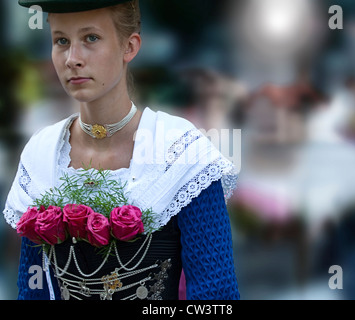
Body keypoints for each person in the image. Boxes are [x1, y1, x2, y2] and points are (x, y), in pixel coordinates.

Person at [3, 0, 240, 300]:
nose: (72, 58)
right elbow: (32, 289)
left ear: (129, 47)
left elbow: (216, 295)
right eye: (61, 41)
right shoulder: (42, 153)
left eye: (91, 38)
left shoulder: (180, 151)